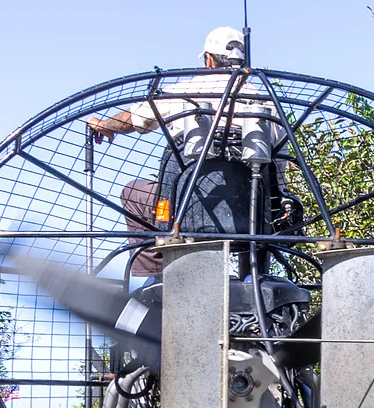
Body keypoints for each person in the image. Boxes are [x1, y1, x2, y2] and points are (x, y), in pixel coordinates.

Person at [89, 28, 283, 275]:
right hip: (251, 212)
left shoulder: (189, 89)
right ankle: (255, 280)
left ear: (209, 59)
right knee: (264, 217)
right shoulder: (266, 102)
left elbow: (135, 117)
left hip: (185, 210)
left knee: (133, 193)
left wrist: (105, 126)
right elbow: (278, 169)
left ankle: (158, 282)